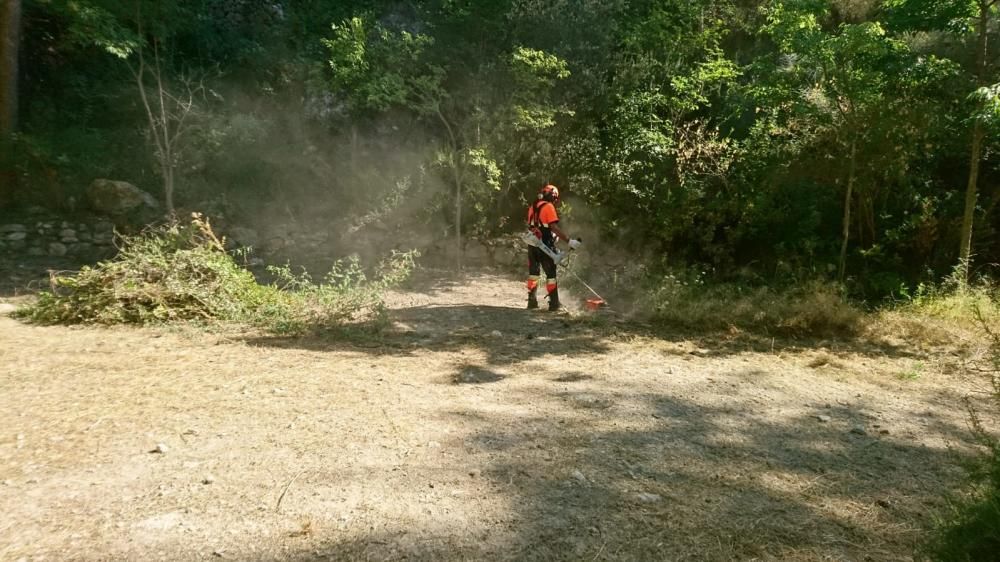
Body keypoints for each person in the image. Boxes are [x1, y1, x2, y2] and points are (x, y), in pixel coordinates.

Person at [525, 184, 580, 311]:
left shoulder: (532, 207)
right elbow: (553, 227)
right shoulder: (548, 206)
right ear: (553, 196)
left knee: (533, 274)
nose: (555, 201)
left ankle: (531, 302)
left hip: (532, 243)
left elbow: (537, 226)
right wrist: (569, 241)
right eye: (555, 198)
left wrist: (553, 235)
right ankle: (554, 304)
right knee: (551, 275)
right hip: (545, 245)